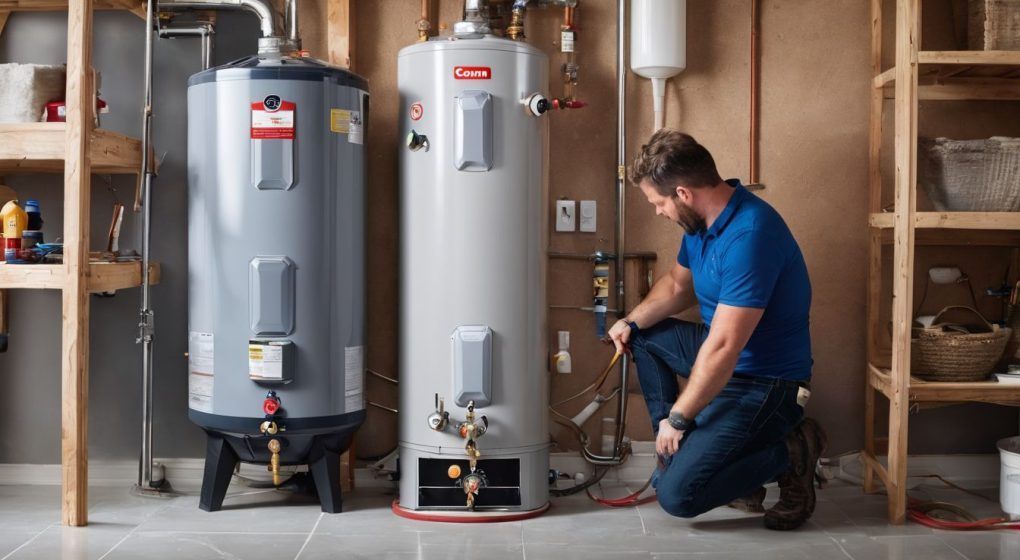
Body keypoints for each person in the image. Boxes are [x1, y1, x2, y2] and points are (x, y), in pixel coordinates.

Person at [607, 129, 826, 531]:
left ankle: (789, 450)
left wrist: (680, 418)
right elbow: (676, 286)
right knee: (642, 332)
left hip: (766, 382)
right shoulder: (701, 226)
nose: (658, 212)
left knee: (678, 496)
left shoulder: (750, 235)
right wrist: (630, 320)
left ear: (683, 194)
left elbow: (725, 346)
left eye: (658, 202)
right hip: (725, 358)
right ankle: (672, 451)